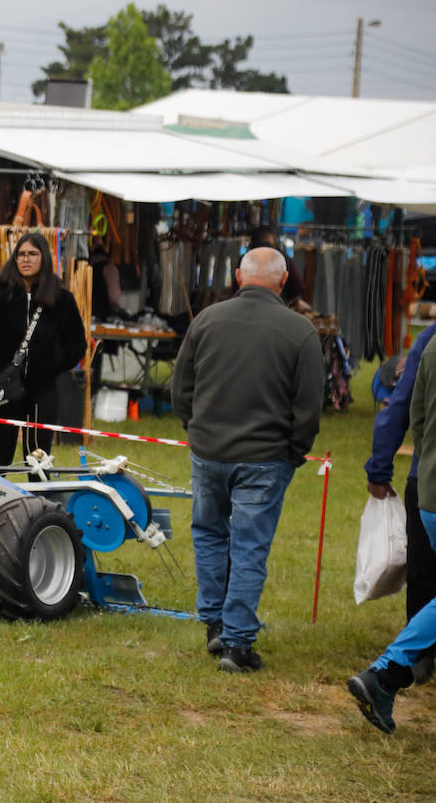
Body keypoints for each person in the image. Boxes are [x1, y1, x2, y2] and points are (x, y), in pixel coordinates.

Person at [171, 246, 323, 673]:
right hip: (265, 456)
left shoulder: (207, 320)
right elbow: (309, 404)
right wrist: (294, 449)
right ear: (284, 279)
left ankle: (216, 624)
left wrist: (195, 429)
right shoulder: (300, 331)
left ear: (238, 276)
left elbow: (181, 387)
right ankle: (236, 642)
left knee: (209, 536)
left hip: (210, 451)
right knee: (249, 545)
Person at [350, 339, 436, 733]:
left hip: (429, 486)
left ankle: (387, 674)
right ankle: (389, 673)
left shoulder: (431, 343)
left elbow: (411, 414)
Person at [0, 232, 86, 467]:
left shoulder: (62, 299)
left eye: (32, 254)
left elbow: (77, 343)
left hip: (42, 389)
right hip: (3, 386)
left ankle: (37, 503)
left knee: (37, 460)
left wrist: (52, 363)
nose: (26, 259)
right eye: (21, 254)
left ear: (44, 258)